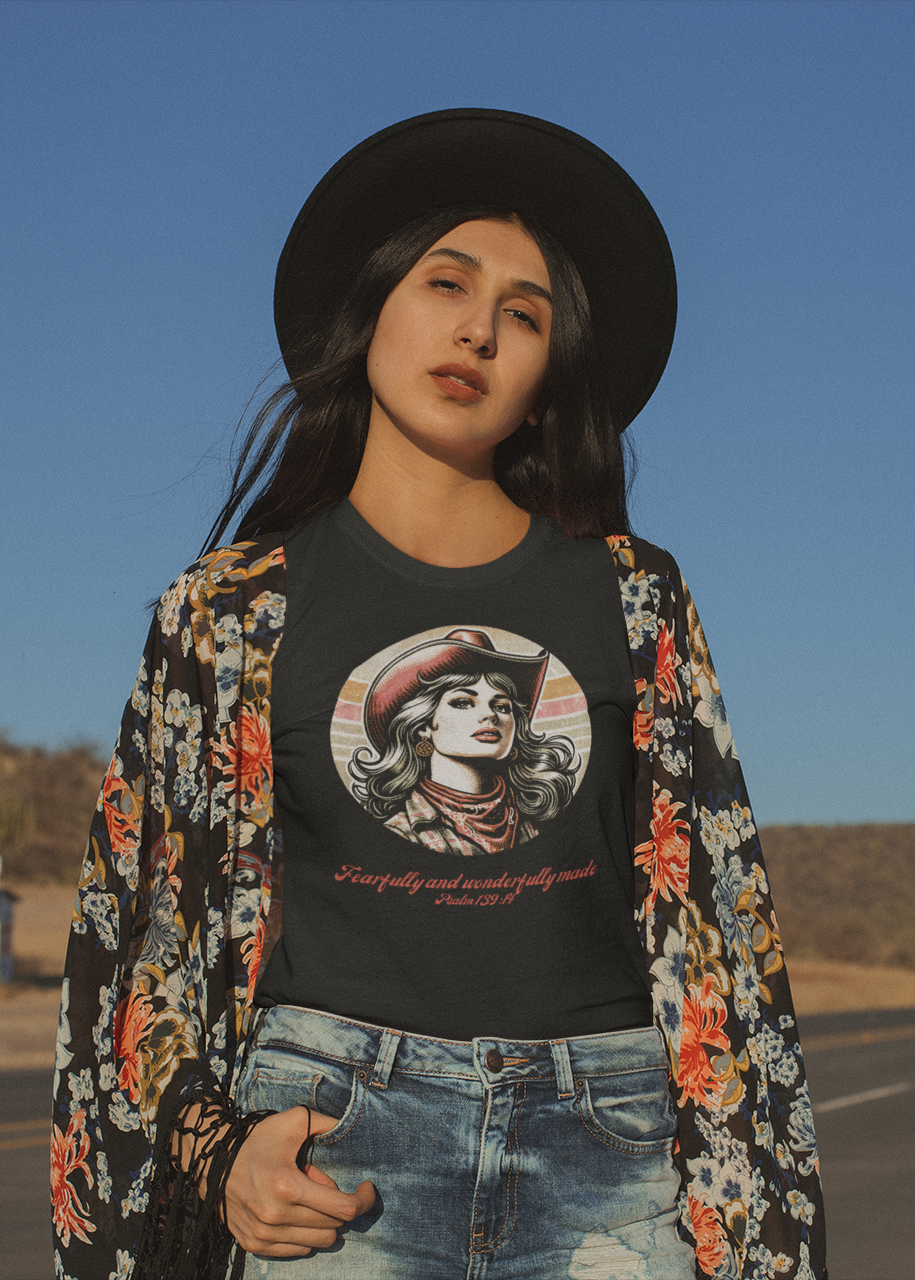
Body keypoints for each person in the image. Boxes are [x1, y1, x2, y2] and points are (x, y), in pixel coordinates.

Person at [52, 110, 827, 1280]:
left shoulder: (635, 597)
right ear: (371, 309)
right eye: (445, 283)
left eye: (526, 313)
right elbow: (145, 938)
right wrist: (223, 1156)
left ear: (548, 373)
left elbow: (720, 924)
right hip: (330, 1146)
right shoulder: (227, 610)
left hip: (613, 1152)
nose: (479, 328)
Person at [347, 628, 580, 854]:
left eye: (501, 706)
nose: (490, 715)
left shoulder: (537, 818)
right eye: (463, 702)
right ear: (423, 727)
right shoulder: (401, 833)